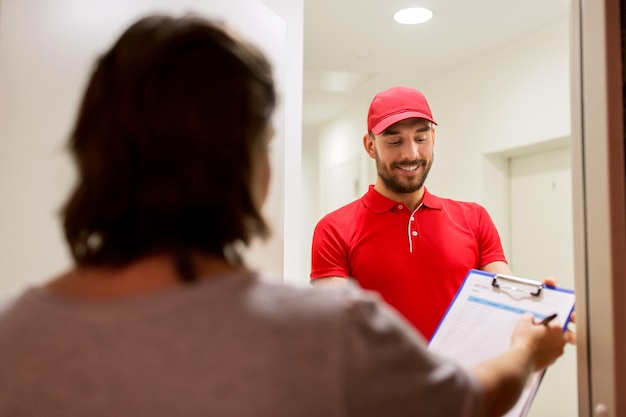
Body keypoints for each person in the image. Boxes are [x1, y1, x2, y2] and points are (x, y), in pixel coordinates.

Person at [0, 13, 567, 417]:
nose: (412, 152)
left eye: (422, 137)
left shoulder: (14, 340)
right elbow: (468, 402)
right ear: (254, 165)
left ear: (89, 152)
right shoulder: (326, 333)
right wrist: (527, 351)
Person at [310, 86, 520, 340]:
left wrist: (544, 312)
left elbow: (508, 300)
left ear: (433, 138)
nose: (410, 154)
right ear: (370, 146)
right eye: (395, 141)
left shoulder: (474, 218)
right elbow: (336, 329)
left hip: (460, 377)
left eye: (421, 139)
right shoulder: (334, 229)